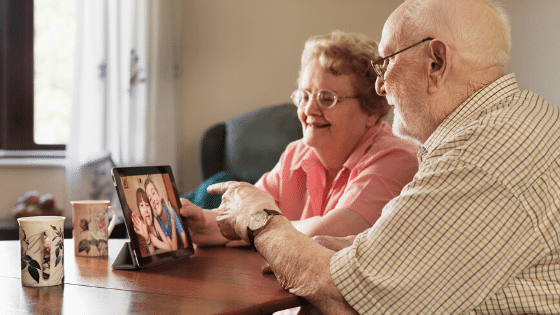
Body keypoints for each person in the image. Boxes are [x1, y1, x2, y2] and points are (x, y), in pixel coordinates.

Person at [207, 0, 560, 313]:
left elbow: (350, 299)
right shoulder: (509, 125)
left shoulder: (479, 156)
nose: (379, 86)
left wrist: (259, 219)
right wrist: (355, 247)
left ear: (435, 62)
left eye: (386, 63)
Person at [180, 30, 419, 247]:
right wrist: (201, 220)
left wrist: (252, 229)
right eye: (304, 96)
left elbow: (330, 233)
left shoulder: (397, 157)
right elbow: (242, 216)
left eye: (327, 98)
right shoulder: (296, 153)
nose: (309, 110)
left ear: (372, 110)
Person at [145, 179, 188, 250]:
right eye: (149, 199)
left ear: (158, 195)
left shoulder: (169, 208)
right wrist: (172, 219)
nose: (153, 200)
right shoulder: (158, 221)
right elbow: (172, 247)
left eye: (153, 193)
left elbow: (182, 233)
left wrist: (187, 251)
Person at [131, 188, 173, 255]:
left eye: (147, 205)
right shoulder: (140, 227)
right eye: (141, 205)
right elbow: (151, 258)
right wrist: (149, 240)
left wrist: (156, 242)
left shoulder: (154, 220)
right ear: (139, 209)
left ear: (150, 207)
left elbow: (170, 247)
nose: (145, 210)